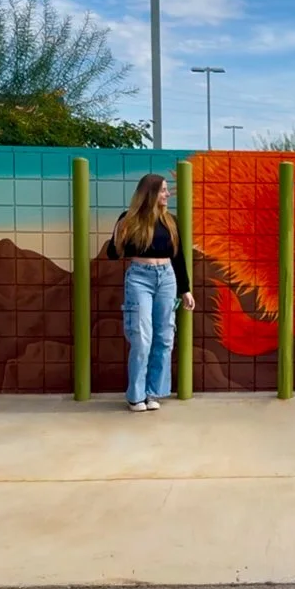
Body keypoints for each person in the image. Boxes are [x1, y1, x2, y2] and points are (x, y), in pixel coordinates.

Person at [106, 173, 195, 412]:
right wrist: (115, 237)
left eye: (167, 190)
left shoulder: (170, 221)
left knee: (164, 337)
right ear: (150, 193)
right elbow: (114, 255)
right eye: (164, 190)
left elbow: (178, 256)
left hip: (167, 278)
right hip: (139, 277)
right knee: (142, 338)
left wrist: (185, 289)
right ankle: (136, 396)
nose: (167, 194)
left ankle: (153, 393)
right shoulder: (129, 219)